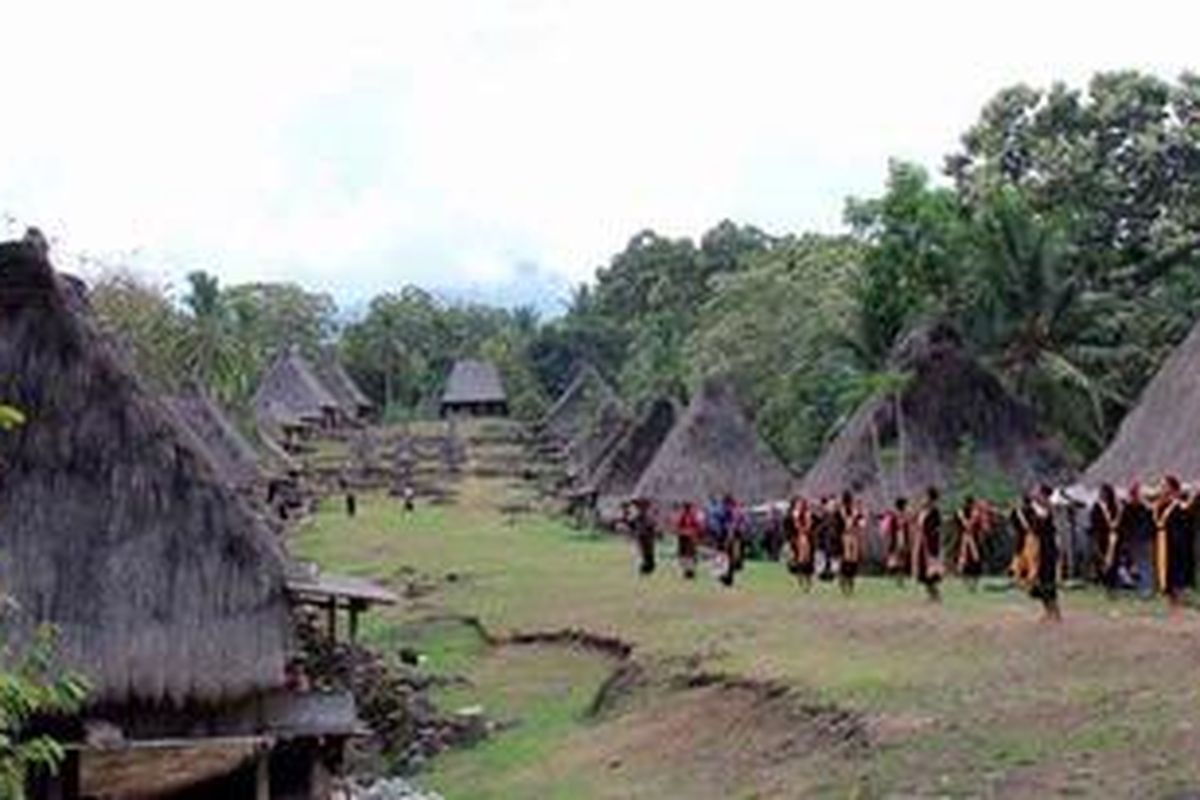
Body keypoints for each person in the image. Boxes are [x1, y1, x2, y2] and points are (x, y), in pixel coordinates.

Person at [1153, 476, 1196, 612]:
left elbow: (1186, 525)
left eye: (1164, 486)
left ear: (1172, 488)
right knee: (1165, 570)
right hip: (1162, 542)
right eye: (1161, 486)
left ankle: (1179, 599)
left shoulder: (1179, 506)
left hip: (1176, 545)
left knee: (1176, 570)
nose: (1161, 489)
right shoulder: (1159, 505)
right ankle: (1171, 600)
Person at [1028, 484, 1061, 622]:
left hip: (1048, 549)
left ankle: (1055, 611)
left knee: (1048, 579)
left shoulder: (1048, 508)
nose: (1035, 494)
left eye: (1038, 492)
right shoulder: (1037, 508)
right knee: (1040, 580)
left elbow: (1045, 515)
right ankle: (1048, 611)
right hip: (1039, 547)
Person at [1120, 483, 1155, 598]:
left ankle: (1147, 589)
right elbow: (1124, 524)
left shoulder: (1145, 508)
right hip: (1134, 540)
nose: (1134, 497)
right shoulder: (1128, 508)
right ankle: (1142, 587)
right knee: (1138, 565)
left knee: (1145, 564)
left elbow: (1150, 524)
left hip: (1144, 539)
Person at [1089, 484, 1123, 594]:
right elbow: (1094, 522)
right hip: (1101, 536)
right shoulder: (1097, 507)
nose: (1103, 495)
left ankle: (1113, 583)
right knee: (1103, 559)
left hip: (1114, 537)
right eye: (1101, 493)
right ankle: (1105, 582)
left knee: (1114, 560)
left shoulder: (1115, 507)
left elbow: (1120, 522)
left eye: (1105, 493)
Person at [913, 486, 943, 602]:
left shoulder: (935, 512)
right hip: (921, 542)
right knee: (922, 570)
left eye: (926, 497)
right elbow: (915, 522)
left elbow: (937, 528)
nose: (924, 499)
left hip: (930, 544)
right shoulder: (922, 511)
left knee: (930, 571)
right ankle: (931, 595)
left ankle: (935, 594)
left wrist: (932, 541)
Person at [956, 496, 985, 591]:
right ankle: (967, 583)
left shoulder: (975, 514)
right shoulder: (964, 512)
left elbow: (969, 525)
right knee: (964, 562)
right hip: (965, 540)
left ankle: (974, 584)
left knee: (975, 562)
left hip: (974, 540)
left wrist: (962, 517)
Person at [838, 492, 865, 596]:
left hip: (853, 535)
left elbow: (862, 523)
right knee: (847, 558)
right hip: (846, 535)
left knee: (853, 558)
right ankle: (845, 577)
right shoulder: (842, 511)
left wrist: (859, 517)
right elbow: (844, 523)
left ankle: (849, 578)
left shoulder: (855, 510)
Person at [881, 498, 911, 586]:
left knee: (902, 560)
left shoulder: (905, 517)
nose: (906, 507)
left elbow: (907, 529)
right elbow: (890, 528)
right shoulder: (894, 516)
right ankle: (888, 575)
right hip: (896, 539)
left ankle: (900, 579)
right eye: (905, 505)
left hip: (903, 539)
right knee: (893, 560)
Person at [788, 497, 816, 591]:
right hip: (797, 537)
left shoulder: (808, 514)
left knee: (808, 557)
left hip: (807, 537)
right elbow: (792, 527)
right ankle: (799, 573)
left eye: (801, 504)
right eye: (798, 504)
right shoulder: (793, 514)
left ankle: (808, 576)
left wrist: (806, 529)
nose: (799, 506)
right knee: (799, 556)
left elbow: (811, 524)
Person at [630, 498, 658, 576]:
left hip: (647, 537)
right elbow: (632, 524)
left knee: (648, 553)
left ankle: (648, 568)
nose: (642, 508)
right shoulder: (638, 516)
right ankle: (644, 568)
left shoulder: (648, 516)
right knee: (643, 553)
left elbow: (652, 526)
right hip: (642, 537)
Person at [675, 501, 703, 580]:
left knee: (690, 555)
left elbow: (697, 526)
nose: (688, 509)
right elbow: (678, 526)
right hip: (684, 537)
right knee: (684, 555)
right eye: (687, 507)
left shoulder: (692, 516)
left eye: (688, 507)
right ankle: (685, 571)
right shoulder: (683, 515)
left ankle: (690, 572)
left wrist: (696, 534)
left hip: (690, 537)